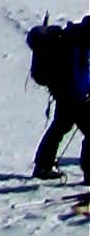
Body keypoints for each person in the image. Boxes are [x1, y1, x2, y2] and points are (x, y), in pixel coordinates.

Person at [26, 16, 90, 179]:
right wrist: (83, 95)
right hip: (75, 96)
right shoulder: (76, 45)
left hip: (62, 93)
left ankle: (43, 165)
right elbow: (75, 76)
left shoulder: (72, 38)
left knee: (60, 126)